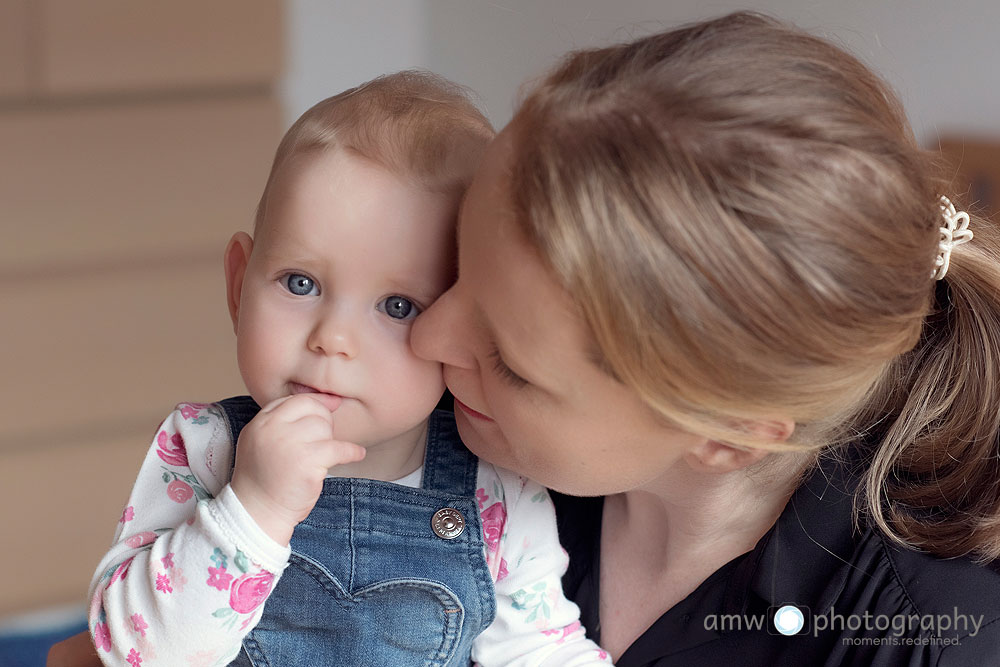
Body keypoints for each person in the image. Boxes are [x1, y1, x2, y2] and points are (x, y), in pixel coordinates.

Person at [410, 11, 1000, 666]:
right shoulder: (422, 428)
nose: (426, 336)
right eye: (455, 264)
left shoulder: (924, 639)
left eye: (508, 363)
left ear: (726, 434)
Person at [86, 71, 612, 666]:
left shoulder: (497, 492)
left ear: (462, 326)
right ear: (238, 287)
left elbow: (543, 653)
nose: (331, 339)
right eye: (300, 283)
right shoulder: (204, 448)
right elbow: (136, 650)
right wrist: (252, 508)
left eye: (397, 306)